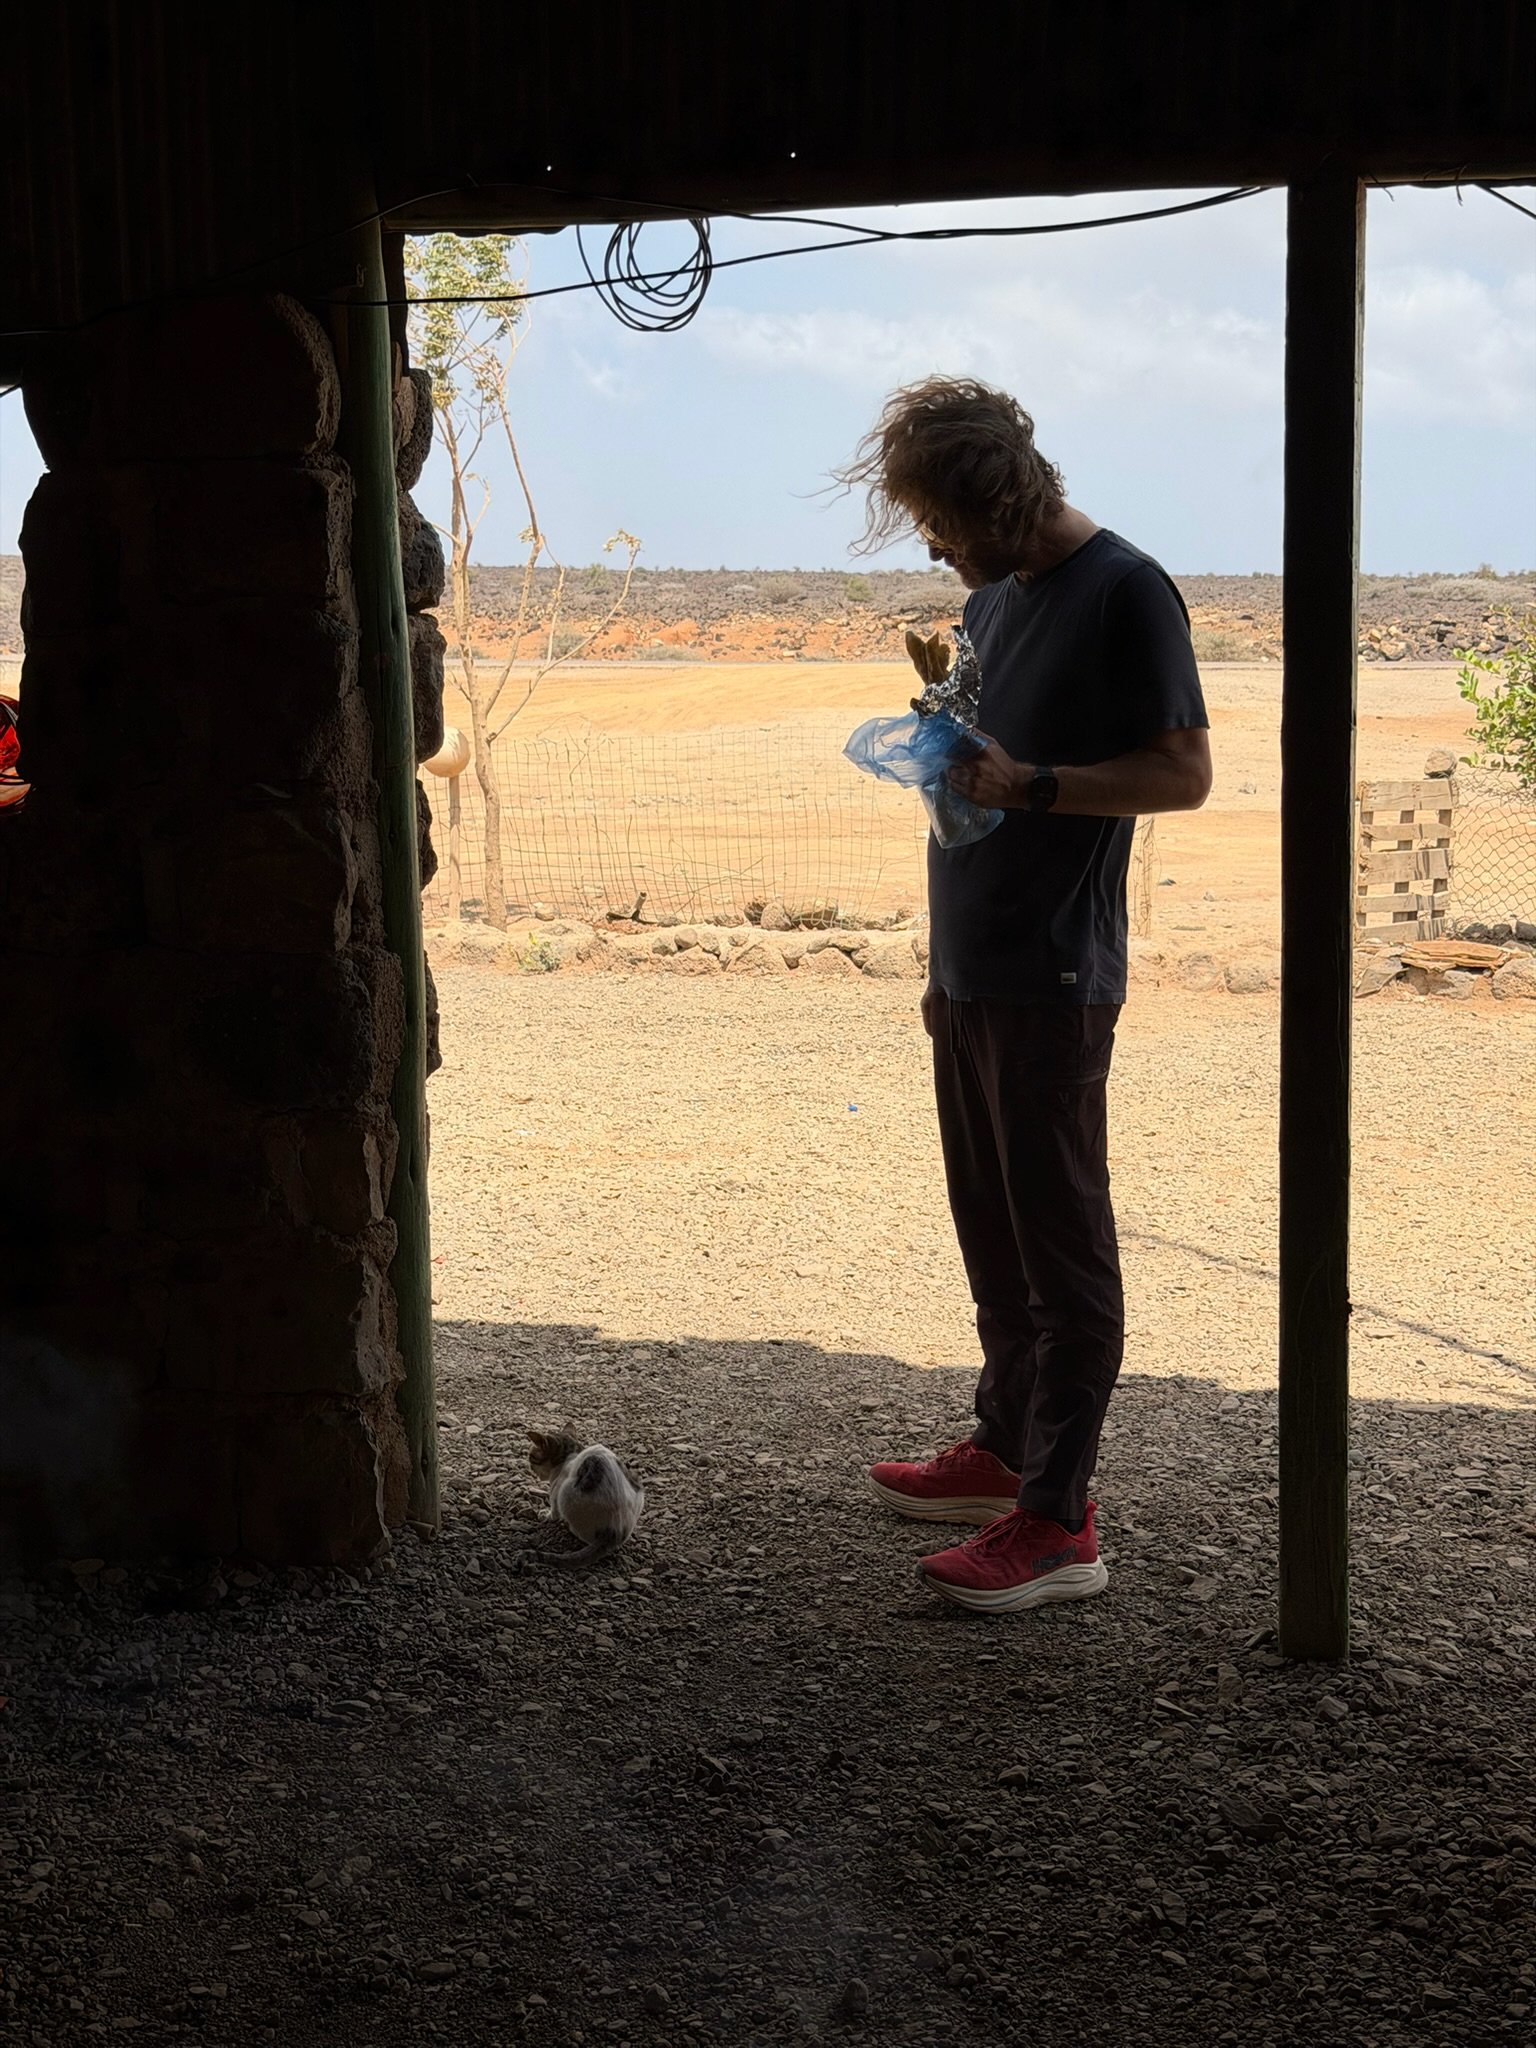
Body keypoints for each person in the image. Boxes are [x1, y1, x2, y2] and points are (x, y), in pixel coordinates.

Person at [836, 377, 1212, 1615]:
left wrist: (1036, 785)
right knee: (990, 1222)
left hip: (1054, 969)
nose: (936, 547)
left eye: (944, 520)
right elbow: (989, 762)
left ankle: (1059, 1518)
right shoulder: (991, 597)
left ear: (999, 498)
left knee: (1061, 1243)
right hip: (970, 964)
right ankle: (1000, 1449)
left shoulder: (1126, 589)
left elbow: (1181, 772)